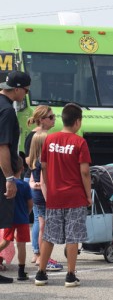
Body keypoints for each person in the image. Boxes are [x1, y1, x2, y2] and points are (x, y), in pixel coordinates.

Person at [34, 103, 92, 287]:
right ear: (77, 122)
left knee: (49, 236)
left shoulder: (49, 140)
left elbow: (43, 166)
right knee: (73, 237)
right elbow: (84, 172)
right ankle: (70, 275)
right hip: (74, 196)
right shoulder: (80, 142)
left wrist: (50, 186)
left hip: (54, 196)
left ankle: (41, 274)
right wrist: (88, 194)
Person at [0, 70, 31, 284]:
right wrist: (10, 178)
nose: (26, 95)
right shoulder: (7, 111)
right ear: (17, 89)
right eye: (26, 91)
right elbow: (2, 146)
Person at [23, 105, 57, 265]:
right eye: (51, 117)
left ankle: (37, 253)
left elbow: (28, 160)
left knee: (38, 219)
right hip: (37, 182)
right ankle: (38, 253)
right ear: (42, 119)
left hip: (32, 180)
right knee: (40, 220)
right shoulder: (39, 136)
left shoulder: (36, 135)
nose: (54, 119)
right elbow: (30, 159)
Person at [28, 131, 63, 271]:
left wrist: (33, 185)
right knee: (45, 227)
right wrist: (50, 200)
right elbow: (43, 182)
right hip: (43, 198)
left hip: (36, 197)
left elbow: (31, 181)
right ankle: (44, 257)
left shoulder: (33, 160)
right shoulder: (44, 160)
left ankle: (40, 256)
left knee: (41, 224)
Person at [0, 157, 33, 281]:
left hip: (9, 218)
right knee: (21, 244)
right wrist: (26, 213)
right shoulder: (24, 185)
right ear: (22, 169)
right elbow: (30, 204)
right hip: (22, 219)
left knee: (5, 242)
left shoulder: (5, 184)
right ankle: (21, 271)